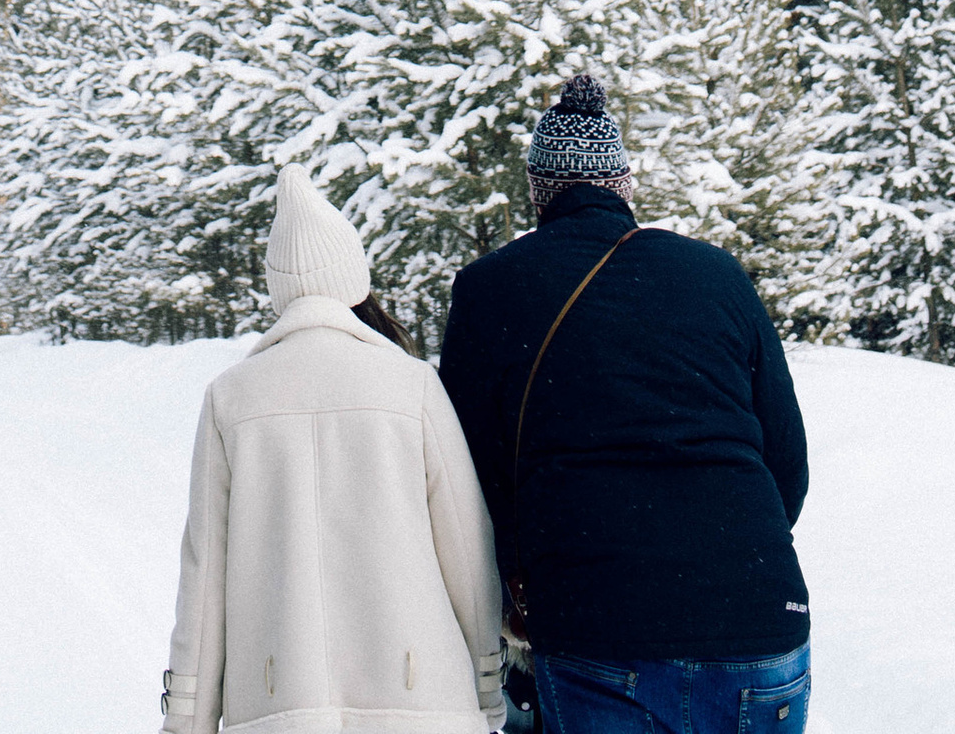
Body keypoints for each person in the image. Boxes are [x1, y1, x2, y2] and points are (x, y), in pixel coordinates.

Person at [436, 76, 811, 734]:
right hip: (759, 621)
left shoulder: (489, 291)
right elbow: (787, 461)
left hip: (597, 625)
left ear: (537, 190)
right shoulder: (716, 274)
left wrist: (519, 587)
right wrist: (726, 562)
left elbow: (474, 480)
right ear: (624, 183)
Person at [163, 164, 509, 734]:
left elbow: (205, 575)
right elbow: (467, 549)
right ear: (355, 278)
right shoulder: (412, 383)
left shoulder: (231, 397)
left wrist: (187, 720)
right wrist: (485, 684)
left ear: (279, 288)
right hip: (419, 701)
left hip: (279, 707)